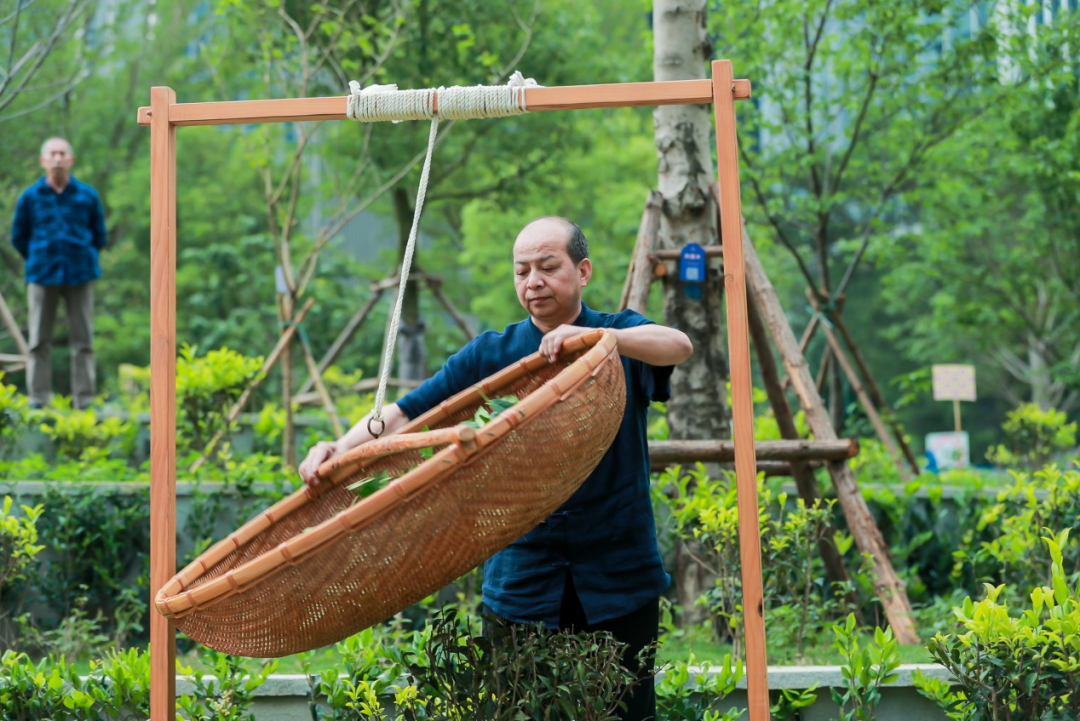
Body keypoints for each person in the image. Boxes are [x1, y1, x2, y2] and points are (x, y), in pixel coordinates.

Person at [299, 216, 693, 721]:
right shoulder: (492, 353)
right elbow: (402, 414)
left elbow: (678, 344)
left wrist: (597, 337)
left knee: (626, 713)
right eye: (522, 271)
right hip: (522, 582)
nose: (534, 282)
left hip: (619, 576)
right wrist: (337, 447)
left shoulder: (617, 334)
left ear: (583, 271)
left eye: (548, 267)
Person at [10, 137, 107, 410]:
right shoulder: (30, 197)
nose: (57, 158)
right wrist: (38, 256)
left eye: (62, 153)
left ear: (71, 160)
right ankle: (39, 398)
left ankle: (85, 400)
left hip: (81, 274)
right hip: (42, 274)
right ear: (43, 160)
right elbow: (19, 236)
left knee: (84, 340)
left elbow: (100, 235)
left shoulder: (87, 195)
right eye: (52, 153)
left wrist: (84, 254)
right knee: (38, 340)